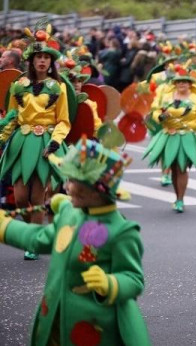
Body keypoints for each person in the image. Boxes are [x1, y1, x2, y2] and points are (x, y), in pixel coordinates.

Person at [0, 138, 150, 346]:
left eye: (73, 180)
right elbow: (39, 239)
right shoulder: (69, 214)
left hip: (95, 329)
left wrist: (109, 283)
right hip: (54, 320)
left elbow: (134, 279)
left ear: (95, 189)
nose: (66, 186)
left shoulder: (122, 231)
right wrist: (5, 227)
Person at [0, 25, 70, 260]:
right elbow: (11, 117)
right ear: (31, 60)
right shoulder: (18, 86)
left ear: (51, 62)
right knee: (20, 198)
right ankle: (36, 234)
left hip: (45, 143)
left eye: (46, 58)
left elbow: (64, 120)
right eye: (38, 57)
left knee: (37, 197)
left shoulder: (58, 87)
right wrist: (1, 139)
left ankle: (33, 242)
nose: (42, 61)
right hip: (21, 142)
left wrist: (55, 142)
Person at [144, 66, 196, 213]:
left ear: (190, 83)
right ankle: (176, 196)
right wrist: (160, 117)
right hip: (169, 135)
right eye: (179, 82)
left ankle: (180, 199)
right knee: (173, 168)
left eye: (185, 81)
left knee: (181, 168)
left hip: (187, 136)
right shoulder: (166, 97)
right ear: (175, 83)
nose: (182, 84)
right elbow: (155, 111)